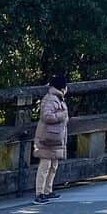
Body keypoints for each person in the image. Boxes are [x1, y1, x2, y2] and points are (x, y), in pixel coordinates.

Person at [33, 73, 68, 203]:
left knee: (53, 165)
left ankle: (48, 190)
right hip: (47, 138)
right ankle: (39, 192)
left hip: (55, 138)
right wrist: (61, 115)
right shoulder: (51, 99)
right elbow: (47, 116)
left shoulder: (59, 99)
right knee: (45, 165)